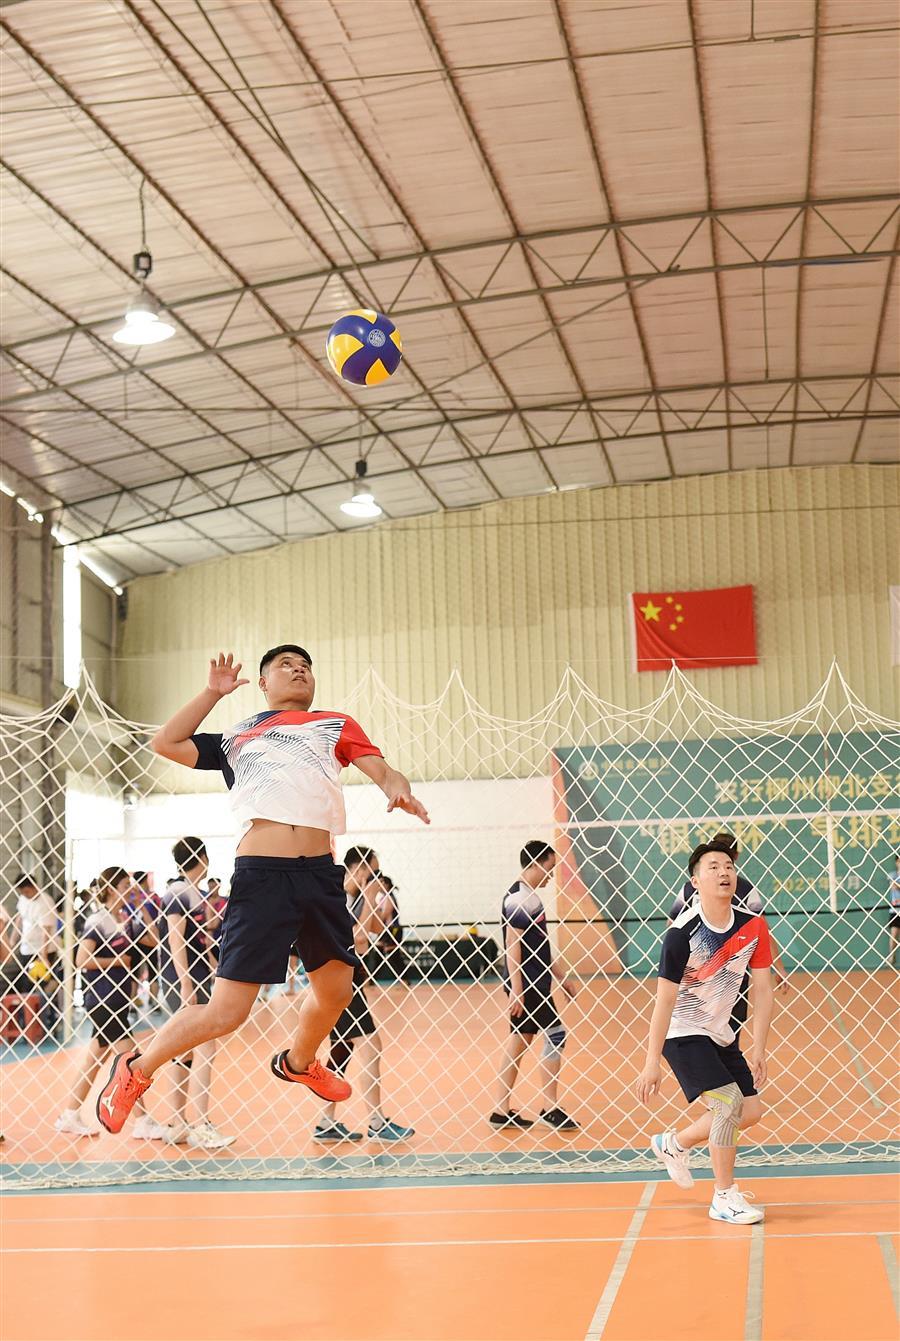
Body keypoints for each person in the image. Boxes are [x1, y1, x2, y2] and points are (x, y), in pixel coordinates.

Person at [96, 646, 429, 1134]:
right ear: (264, 683)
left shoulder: (334, 724)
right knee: (227, 1012)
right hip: (262, 876)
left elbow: (383, 769)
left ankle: (299, 1062)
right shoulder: (238, 736)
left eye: (306, 666)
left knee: (336, 992)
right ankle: (135, 1070)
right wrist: (211, 693)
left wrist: (396, 788)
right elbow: (166, 742)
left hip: (319, 875)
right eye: (286, 666)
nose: (299, 670)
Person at [637, 839, 775, 1225]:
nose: (723, 872)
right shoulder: (681, 934)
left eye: (728, 866)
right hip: (681, 1032)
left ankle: (675, 1143)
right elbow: (664, 1000)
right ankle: (724, 1197)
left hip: (720, 1032)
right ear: (695, 882)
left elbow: (763, 991)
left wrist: (759, 1048)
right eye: (712, 867)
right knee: (728, 1103)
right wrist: (651, 1062)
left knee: (750, 1111)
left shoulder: (753, 926)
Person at [55, 867, 166, 1140]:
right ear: (110, 888)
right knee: (130, 1062)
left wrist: (142, 909)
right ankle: (142, 1120)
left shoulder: (125, 920)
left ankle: (69, 1115)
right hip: (103, 999)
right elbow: (82, 959)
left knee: (93, 1061)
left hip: (118, 1000)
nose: (130, 889)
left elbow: (155, 940)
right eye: (125, 885)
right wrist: (117, 961)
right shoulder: (98, 920)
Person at [314, 846, 415, 1143]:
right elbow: (358, 937)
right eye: (373, 872)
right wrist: (370, 895)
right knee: (371, 1045)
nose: (376, 877)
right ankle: (376, 1122)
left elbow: (374, 929)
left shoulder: (357, 898)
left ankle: (325, 1123)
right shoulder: (336, 896)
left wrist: (375, 897)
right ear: (359, 870)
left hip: (348, 980)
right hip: (338, 982)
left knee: (341, 1052)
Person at [490, 841, 579, 1132]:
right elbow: (512, 944)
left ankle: (500, 1110)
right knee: (556, 1034)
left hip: (534, 982)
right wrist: (517, 988)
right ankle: (549, 1107)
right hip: (528, 986)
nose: (551, 875)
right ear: (536, 863)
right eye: (549, 868)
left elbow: (540, 946)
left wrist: (561, 977)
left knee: (518, 1042)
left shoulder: (529, 897)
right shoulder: (519, 899)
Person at [667, 830, 789, 1038]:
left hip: (696, 971)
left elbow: (671, 926)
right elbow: (764, 933)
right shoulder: (745, 889)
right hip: (733, 971)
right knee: (729, 1031)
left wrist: (673, 962)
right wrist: (780, 968)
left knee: (693, 1026)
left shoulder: (689, 888)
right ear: (737, 855)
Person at [157, 837, 235, 1151]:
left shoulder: (192, 892)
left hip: (195, 977)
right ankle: (200, 1124)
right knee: (205, 1047)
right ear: (201, 857)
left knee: (185, 1050)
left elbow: (197, 940)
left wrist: (214, 967)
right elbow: (176, 939)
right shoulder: (178, 891)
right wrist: (185, 983)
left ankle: (177, 1123)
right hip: (185, 980)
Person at [888, 853, 900, 967]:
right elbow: (894, 886)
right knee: (894, 934)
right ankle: (892, 957)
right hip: (895, 910)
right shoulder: (892, 875)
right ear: (896, 862)